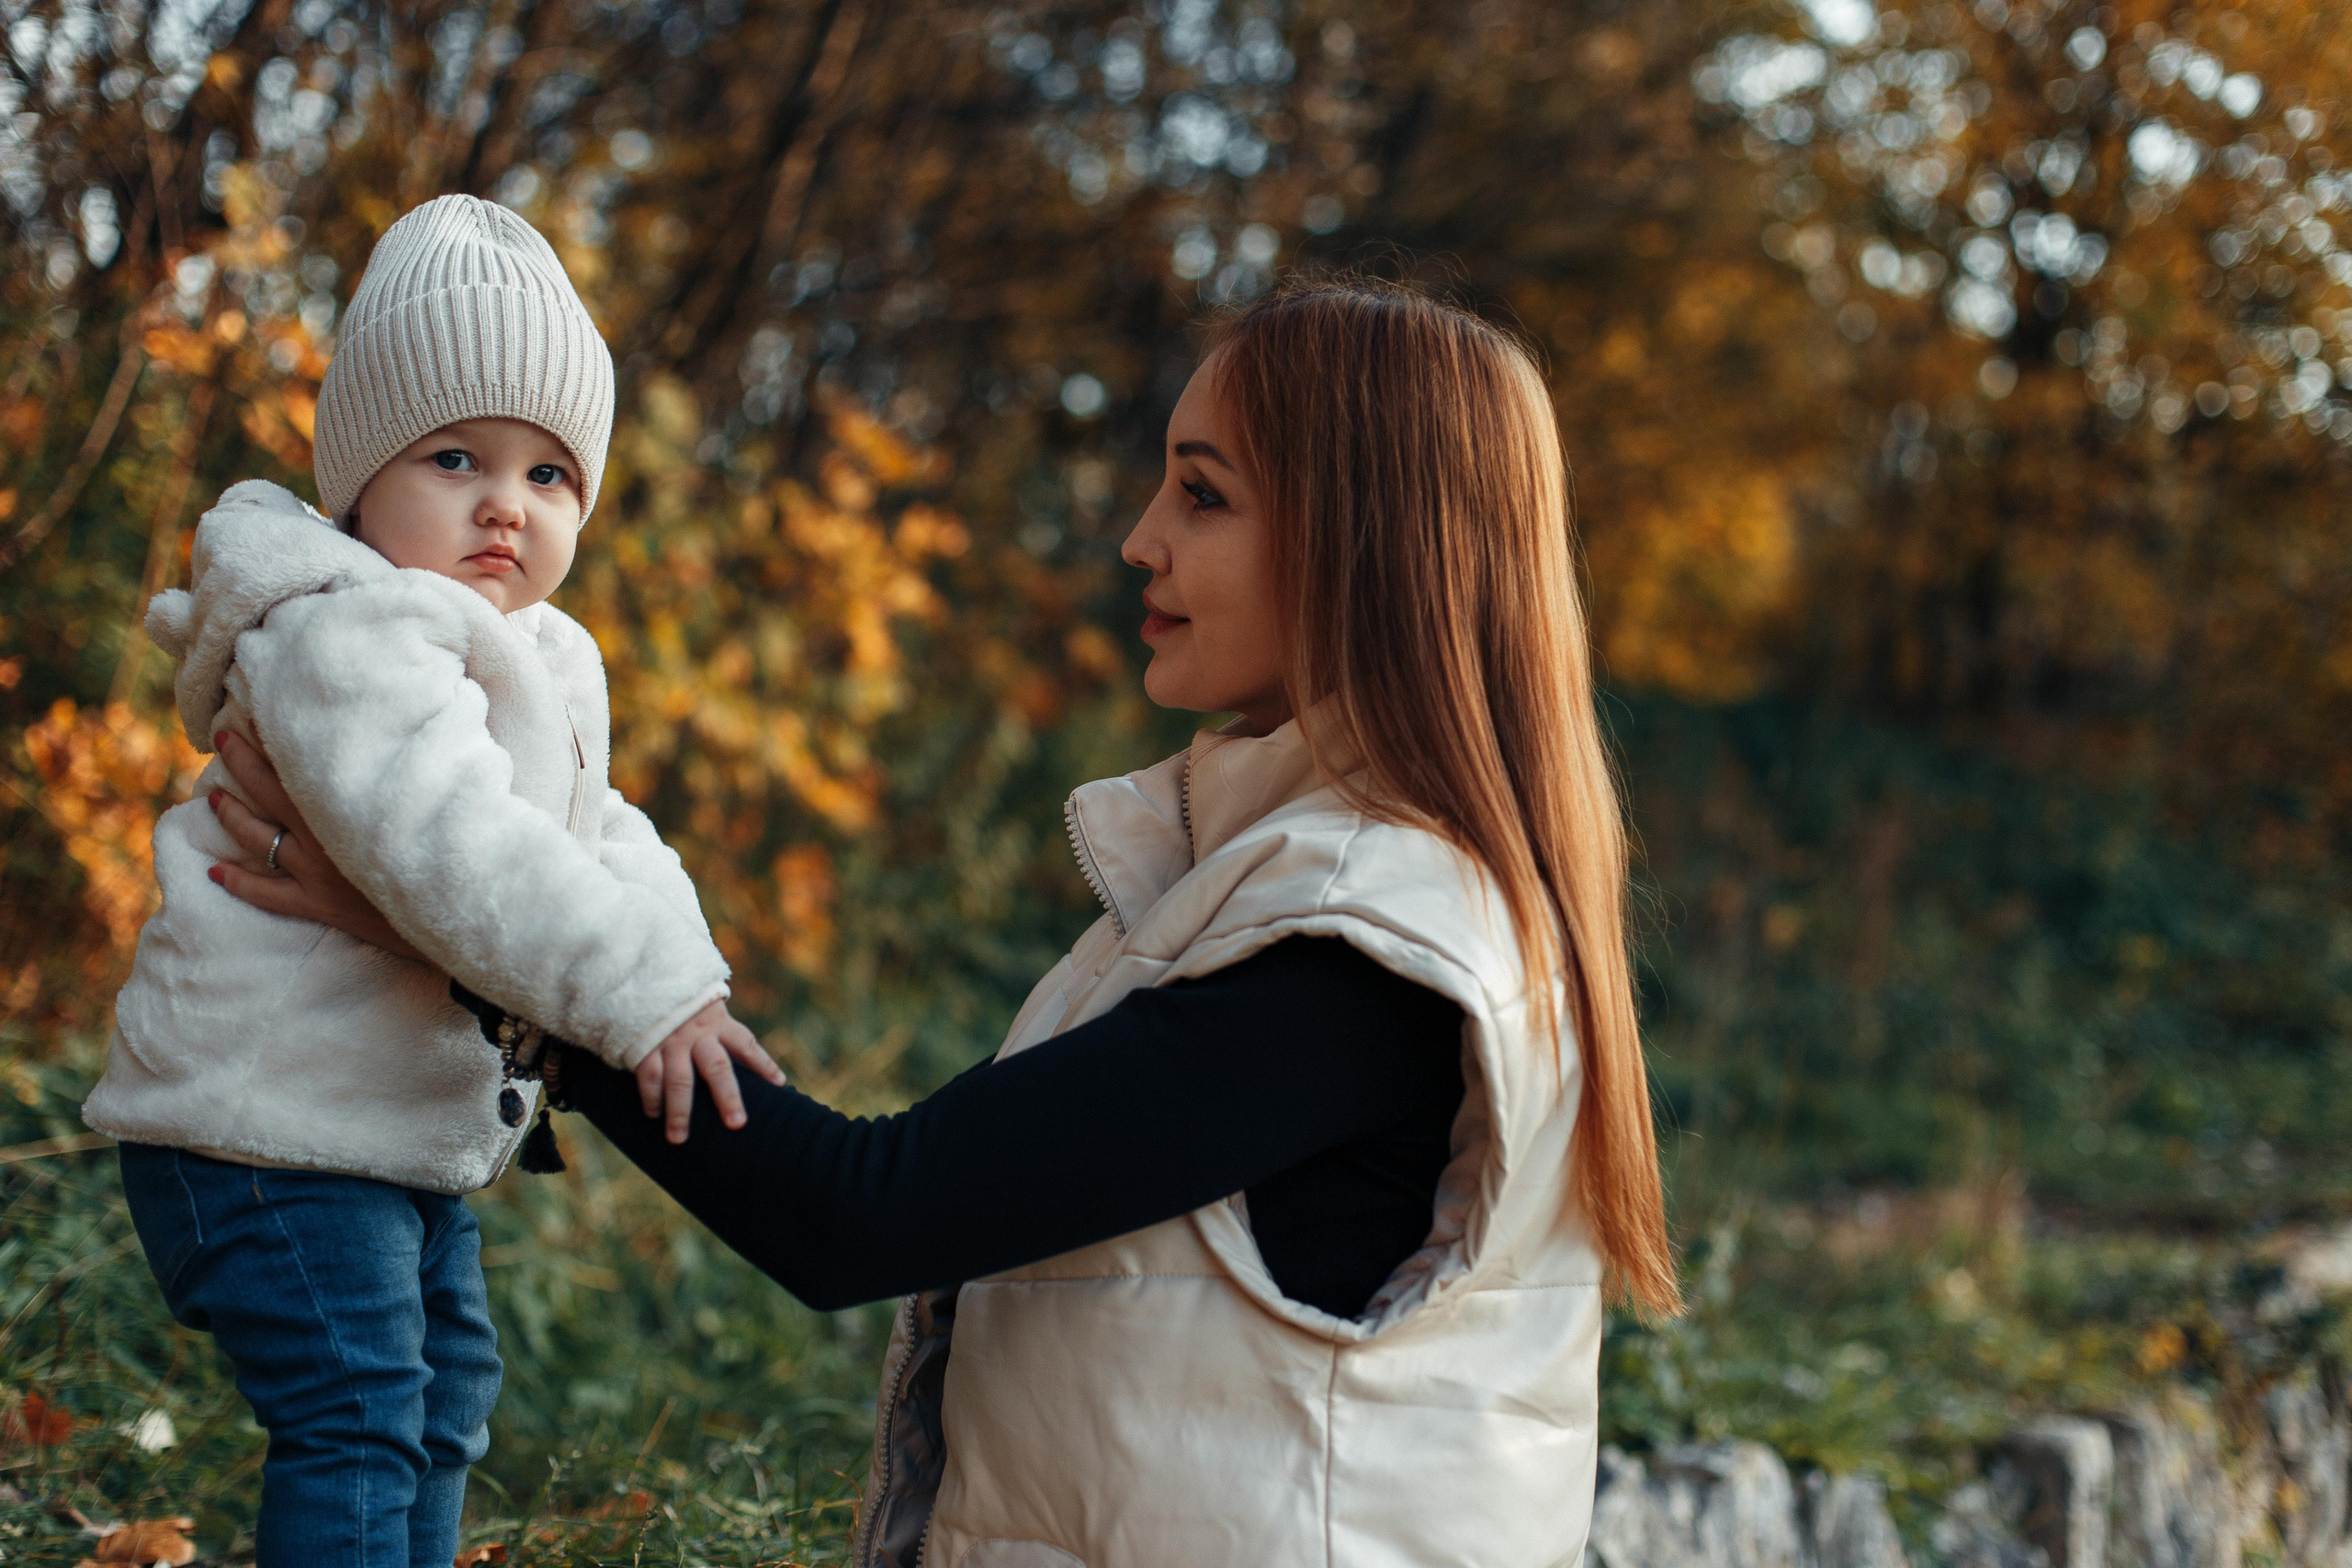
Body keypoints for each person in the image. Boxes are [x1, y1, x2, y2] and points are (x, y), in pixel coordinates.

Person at [209, 276, 1682, 1568]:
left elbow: (870, 1212)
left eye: (1203, 493)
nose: (1137, 539)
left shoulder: (1362, 949)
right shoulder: (1340, 889)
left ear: (1365, 541)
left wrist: (476, 948)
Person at [85, 194, 781, 1568]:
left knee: (445, 1396)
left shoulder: (532, 648)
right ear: (357, 478)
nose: (504, 508)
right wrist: (640, 997)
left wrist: (683, 982)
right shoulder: (351, 635)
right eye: (456, 457)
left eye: (548, 475)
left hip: (374, 1130)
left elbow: (594, 833)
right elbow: (452, 835)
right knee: (356, 1409)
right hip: (259, 1124)